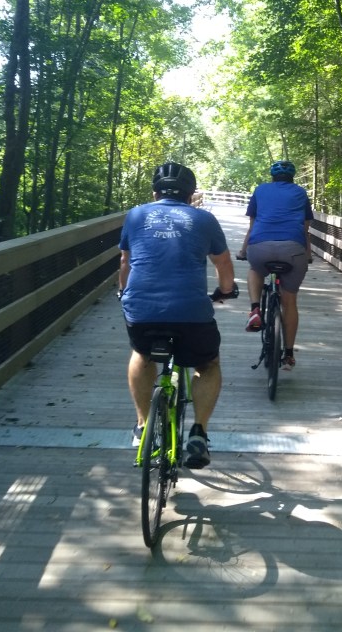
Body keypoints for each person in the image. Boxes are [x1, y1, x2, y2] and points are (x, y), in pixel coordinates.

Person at [118, 161, 238, 469]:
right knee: (207, 364)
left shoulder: (136, 215)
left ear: (155, 193)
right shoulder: (204, 218)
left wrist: (123, 292)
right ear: (190, 195)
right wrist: (225, 291)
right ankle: (198, 433)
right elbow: (223, 265)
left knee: (141, 353)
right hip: (191, 312)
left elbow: (125, 263)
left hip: (142, 309)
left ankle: (143, 425)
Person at [235, 160, 313, 371]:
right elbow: (305, 229)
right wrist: (308, 255)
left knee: (255, 269)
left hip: (260, 247)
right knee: (290, 300)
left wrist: (243, 251)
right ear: (292, 177)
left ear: (272, 176)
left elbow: (253, 226)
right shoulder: (300, 192)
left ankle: (255, 309)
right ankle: (288, 354)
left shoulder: (260, 190)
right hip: (293, 250)